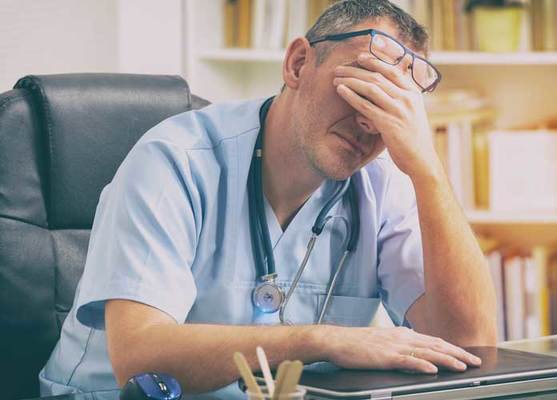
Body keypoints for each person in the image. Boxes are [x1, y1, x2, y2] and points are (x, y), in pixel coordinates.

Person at [39, 1, 497, 398]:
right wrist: (324, 340)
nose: (370, 123)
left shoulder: (383, 181)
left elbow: (469, 344)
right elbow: (139, 359)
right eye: (364, 88)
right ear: (298, 63)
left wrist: (428, 170)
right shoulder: (174, 161)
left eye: (394, 107)